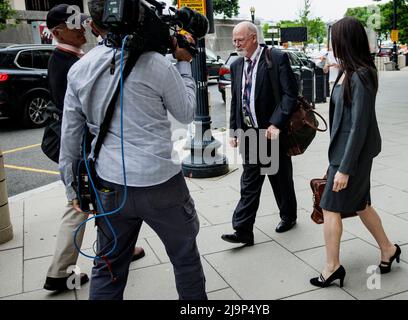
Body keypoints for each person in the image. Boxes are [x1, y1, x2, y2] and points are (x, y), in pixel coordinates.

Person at [58, 0, 207, 300]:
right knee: (185, 258)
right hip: (163, 185)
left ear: (95, 26)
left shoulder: (80, 70)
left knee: (108, 267)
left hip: (110, 187)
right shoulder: (158, 64)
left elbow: (70, 139)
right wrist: (183, 63)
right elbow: (187, 112)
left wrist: (73, 190)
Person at [42, 4, 145, 292]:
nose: (82, 27)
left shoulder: (71, 58)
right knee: (80, 203)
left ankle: (120, 248)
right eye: (74, 22)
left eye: (82, 21)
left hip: (89, 149)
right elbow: (77, 118)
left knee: (102, 199)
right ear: (57, 31)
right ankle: (61, 270)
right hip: (86, 150)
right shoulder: (65, 63)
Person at [310, 17, 401, 288]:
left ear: (345, 41)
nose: (331, 44)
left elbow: (359, 126)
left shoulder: (361, 75)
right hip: (343, 154)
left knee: (329, 207)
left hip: (352, 157)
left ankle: (332, 267)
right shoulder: (347, 71)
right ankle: (388, 249)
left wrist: (345, 168)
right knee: (361, 205)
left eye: (334, 38)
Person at [221, 22, 298, 246]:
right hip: (249, 135)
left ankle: (288, 216)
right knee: (250, 182)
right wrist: (234, 130)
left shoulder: (274, 58)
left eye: (240, 39)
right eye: (234, 40)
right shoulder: (236, 65)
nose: (236, 44)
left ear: (253, 38)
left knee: (280, 178)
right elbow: (236, 100)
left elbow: (290, 94)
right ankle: (243, 230)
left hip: (271, 133)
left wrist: (276, 123)